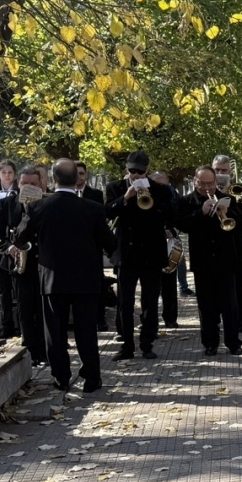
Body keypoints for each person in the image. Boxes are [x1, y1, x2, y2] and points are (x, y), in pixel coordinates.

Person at [16, 159, 115, 393]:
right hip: (85, 279)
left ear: (52, 179)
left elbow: (20, 239)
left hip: (53, 279)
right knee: (86, 330)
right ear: (77, 179)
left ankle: (61, 376)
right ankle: (92, 378)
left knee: (55, 331)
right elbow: (110, 243)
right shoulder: (92, 208)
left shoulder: (39, 207)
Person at [104, 150, 175, 360]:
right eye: (132, 171)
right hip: (127, 253)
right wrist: (125, 198)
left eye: (140, 171)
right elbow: (107, 212)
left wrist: (150, 195)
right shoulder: (115, 187)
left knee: (150, 301)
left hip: (152, 253)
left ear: (147, 170)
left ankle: (146, 343)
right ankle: (126, 345)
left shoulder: (160, 190)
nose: (135, 175)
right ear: (126, 169)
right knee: (125, 302)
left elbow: (171, 215)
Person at [177, 166, 242, 356]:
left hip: (226, 259)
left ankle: (233, 343)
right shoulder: (187, 201)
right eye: (202, 183)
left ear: (216, 182)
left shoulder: (228, 199)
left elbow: (240, 224)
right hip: (202, 261)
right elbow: (182, 225)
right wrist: (201, 211)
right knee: (206, 306)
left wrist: (227, 213)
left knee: (230, 305)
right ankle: (210, 343)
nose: (207, 188)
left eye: (210, 183)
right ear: (195, 182)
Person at [0, 167, 48, 364]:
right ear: (18, 184)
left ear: (40, 183)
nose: (28, 188)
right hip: (20, 264)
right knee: (24, 306)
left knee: (43, 308)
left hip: (44, 263)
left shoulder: (48, 204)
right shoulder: (8, 203)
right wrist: (9, 247)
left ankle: (45, 350)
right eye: (25, 184)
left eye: (33, 184)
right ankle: (30, 350)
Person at [212, 155, 242, 332]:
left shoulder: (238, 189)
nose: (220, 173)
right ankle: (214, 318)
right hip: (212, 244)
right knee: (214, 284)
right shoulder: (206, 187)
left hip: (235, 243)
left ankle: (239, 318)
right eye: (217, 170)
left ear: (230, 171)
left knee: (238, 283)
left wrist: (232, 192)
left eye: (224, 170)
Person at [75, 160, 111, 333]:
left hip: (91, 246)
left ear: (86, 175)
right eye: (75, 173)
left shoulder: (95, 194)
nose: (78, 177)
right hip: (72, 248)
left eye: (81, 173)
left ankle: (100, 318)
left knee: (97, 283)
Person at [0, 159, 19, 338]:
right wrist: (5, 246)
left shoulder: (19, 194)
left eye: (10, 172)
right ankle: (6, 326)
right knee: (4, 291)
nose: (7, 176)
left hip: (21, 250)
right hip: (2, 251)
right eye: (4, 172)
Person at [149, 171, 181, 329]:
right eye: (156, 183)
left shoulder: (173, 196)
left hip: (169, 243)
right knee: (150, 286)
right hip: (150, 245)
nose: (159, 187)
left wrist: (173, 231)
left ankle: (170, 318)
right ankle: (149, 319)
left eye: (162, 183)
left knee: (169, 283)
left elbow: (180, 219)